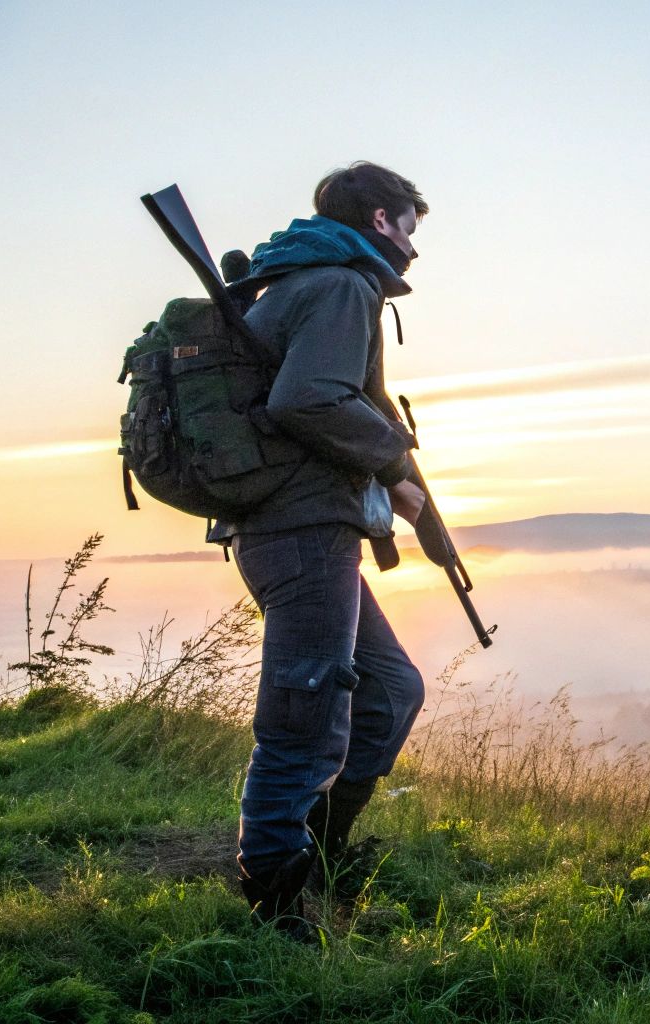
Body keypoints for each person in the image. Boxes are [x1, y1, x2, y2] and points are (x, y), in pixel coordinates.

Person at [211, 161, 432, 937]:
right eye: (408, 225)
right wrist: (395, 461)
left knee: (391, 692)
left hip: (301, 525)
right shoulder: (340, 285)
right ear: (380, 221)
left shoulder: (303, 281)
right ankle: (275, 902)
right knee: (305, 718)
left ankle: (324, 856)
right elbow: (307, 399)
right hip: (298, 529)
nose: (413, 243)